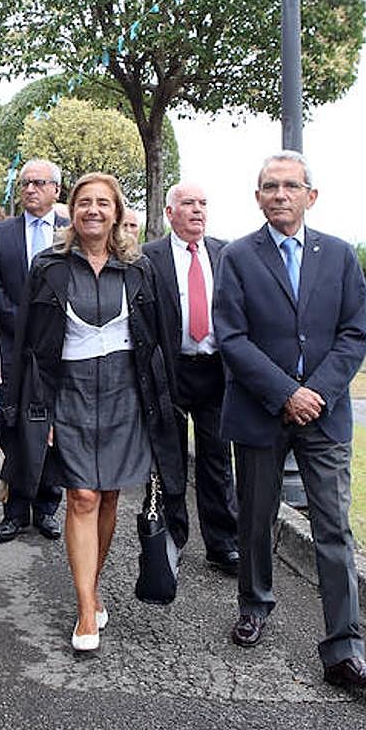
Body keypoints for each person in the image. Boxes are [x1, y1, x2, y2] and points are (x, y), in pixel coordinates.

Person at [213, 150, 366, 690]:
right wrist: (286, 393)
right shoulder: (239, 257)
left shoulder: (339, 256)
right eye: (270, 186)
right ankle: (255, 605)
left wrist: (315, 393)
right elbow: (231, 337)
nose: (280, 195)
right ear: (258, 196)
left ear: (311, 196)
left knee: (333, 527)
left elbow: (354, 335)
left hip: (325, 415)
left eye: (290, 186)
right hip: (262, 411)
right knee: (256, 517)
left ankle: (344, 648)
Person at [1, 172, 182, 652]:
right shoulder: (48, 267)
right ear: (71, 211)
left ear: (118, 213)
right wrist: (30, 409)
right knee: (81, 496)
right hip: (70, 393)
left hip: (127, 394)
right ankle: (85, 608)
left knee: (107, 498)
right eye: (84, 203)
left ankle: (93, 582)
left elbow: (163, 340)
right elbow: (28, 347)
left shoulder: (141, 269)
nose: (93, 211)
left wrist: (163, 408)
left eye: (104, 203)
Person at [142, 183, 239, 575]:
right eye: (188, 204)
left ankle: (223, 543)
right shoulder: (150, 258)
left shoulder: (225, 254)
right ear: (169, 213)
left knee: (218, 460)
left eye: (202, 203)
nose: (197, 210)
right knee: (170, 459)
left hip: (215, 370)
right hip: (171, 370)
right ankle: (173, 537)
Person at [0, 159, 70, 543]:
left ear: (56, 189)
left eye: (39, 183)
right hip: (11, 346)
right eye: (25, 184)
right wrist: (21, 322)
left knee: (55, 427)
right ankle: (15, 510)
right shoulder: (1, 233)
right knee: (13, 425)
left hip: (59, 347)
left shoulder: (70, 233)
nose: (30, 189)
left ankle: (48, 507)